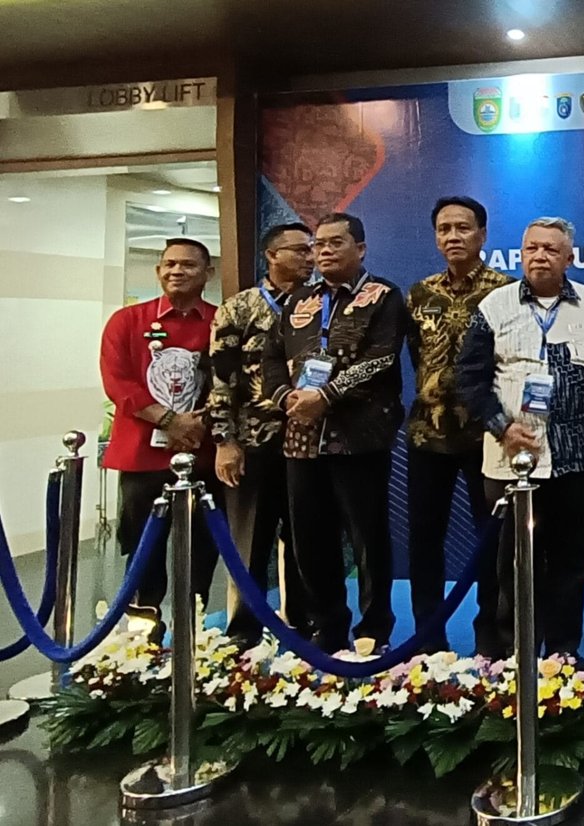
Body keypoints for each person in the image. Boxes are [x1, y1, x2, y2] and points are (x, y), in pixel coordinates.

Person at [458, 217, 584, 664]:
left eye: (550, 249)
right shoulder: (495, 305)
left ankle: (563, 653)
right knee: (512, 563)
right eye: (532, 248)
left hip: (578, 462)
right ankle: (515, 654)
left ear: (570, 258)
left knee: (571, 564)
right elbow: (469, 378)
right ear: (521, 254)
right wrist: (502, 427)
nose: (540, 256)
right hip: (511, 461)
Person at [263, 212, 407, 655]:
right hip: (302, 437)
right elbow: (271, 358)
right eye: (317, 244)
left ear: (360, 249)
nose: (323, 251)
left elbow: (381, 358)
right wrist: (286, 397)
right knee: (309, 539)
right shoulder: (297, 299)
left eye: (335, 242)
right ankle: (327, 624)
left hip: (359, 436)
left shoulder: (383, 295)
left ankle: (374, 628)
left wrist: (326, 395)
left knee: (367, 539)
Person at [405, 196, 511, 653]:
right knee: (424, 540)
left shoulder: (506, 291)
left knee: (493, 539)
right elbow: (416, 355)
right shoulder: (419, 293)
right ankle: (428, 638)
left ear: (482, 235)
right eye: (444, 229)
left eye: (463, 228)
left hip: (485, 435)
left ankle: (493, 637)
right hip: (427, 434)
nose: (453, 236)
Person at [100, 238, 221, 633]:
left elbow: (231, 381)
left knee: (202, 549)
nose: (176, 271)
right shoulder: (127, 321)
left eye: (187, 264)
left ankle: (193, 631)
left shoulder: (221, 322)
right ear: (158, 271)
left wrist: (197, 423)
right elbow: (118, 383)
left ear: (208, 273)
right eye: (169, 264)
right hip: (142, 457)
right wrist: (169, 420)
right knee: (143, 548)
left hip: (202, 454)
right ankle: (143, 638)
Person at [209, 223, 314, 643]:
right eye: (299, 250)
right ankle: (244, 629)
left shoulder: (322, 304)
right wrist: (224, 441)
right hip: (252, 443)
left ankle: (305, 622)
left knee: (306, 538)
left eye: (312, 249)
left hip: (309, 442)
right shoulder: (239, 308)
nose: (310, 257)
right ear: (272, 255)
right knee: (249, 541)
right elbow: (220, 380)